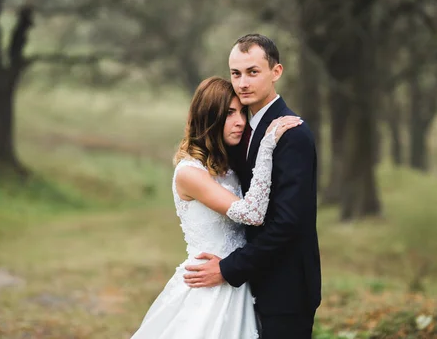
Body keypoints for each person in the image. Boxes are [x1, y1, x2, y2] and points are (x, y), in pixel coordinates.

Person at [130, 76, 302, 339]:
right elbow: (251, 213)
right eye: (230, 113)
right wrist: (267, 147)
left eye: (242, 113)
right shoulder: (189, 172)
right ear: (209, 116)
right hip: (207, 285)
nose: (241, 122)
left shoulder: (228, 166)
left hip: (237, 280)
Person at [183, 34, 322, 339]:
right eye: (236, 73)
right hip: (245, 291)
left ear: (276, 72)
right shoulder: (239, 132)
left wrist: (229, 269)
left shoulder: (291, 134)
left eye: (253, 72)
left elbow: (288, 223)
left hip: (285, 290)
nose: (243, 82)